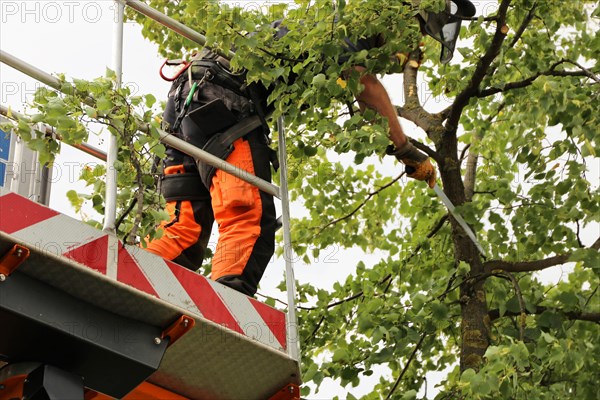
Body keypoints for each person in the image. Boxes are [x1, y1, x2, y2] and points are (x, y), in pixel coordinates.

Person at [145, 0, 474, 296]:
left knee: (183, 225)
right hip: (224, 100)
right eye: (416, 31)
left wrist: (393, 141)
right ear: (401, 13)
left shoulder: (324, 22)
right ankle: (225, 320)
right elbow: (366, 85)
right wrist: (405, 149)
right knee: (248, 218)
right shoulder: (354, 19)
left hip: (189, 97)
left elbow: (367, 103)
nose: (412, 46)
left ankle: (137, 280)